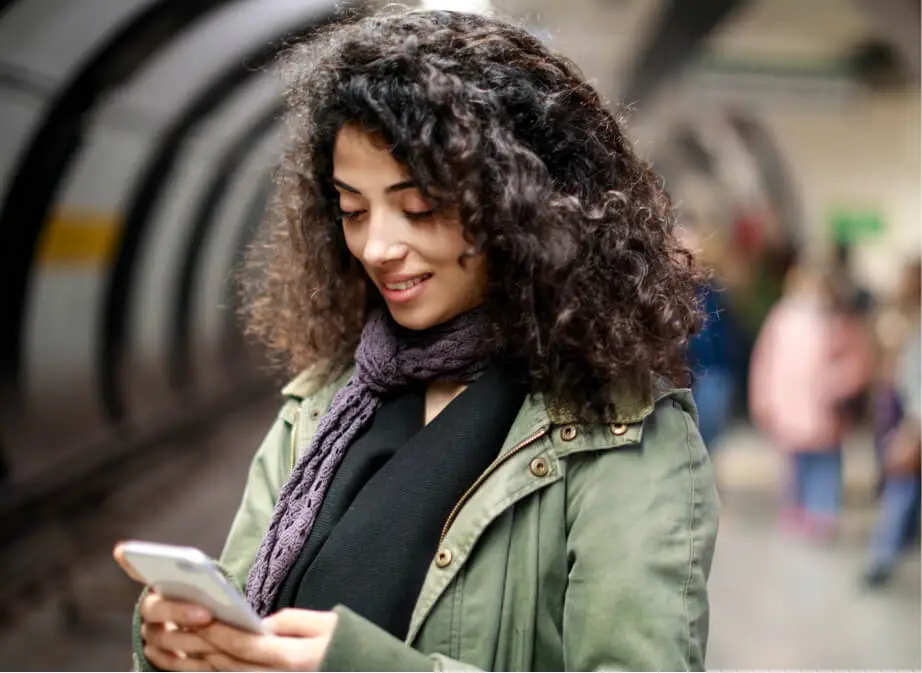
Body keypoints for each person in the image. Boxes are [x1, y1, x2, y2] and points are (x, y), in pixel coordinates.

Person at [115, 9, 719, 672]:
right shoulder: (322, 402)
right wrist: (181, 643)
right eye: (351, 210)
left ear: (523, 206)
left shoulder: (621, 434)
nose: (376, 246)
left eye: (420, 209)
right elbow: (245, 612)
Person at [749, 263, 874, 541]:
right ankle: (797, 508)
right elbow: (765, 363)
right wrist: (763, 399)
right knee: (795, 463)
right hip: (788, 407)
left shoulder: (838, 321)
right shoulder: (781, 318)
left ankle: (822, 512)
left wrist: (835, 384)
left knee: (826, 463)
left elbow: (858, 364)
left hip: (824, 410)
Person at [864, 259, 921, 587]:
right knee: (902, 487)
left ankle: (885, 553)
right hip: (907, 416)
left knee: (901, 489)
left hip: (911, 418)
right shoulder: (902, 321)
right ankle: (884, 554)